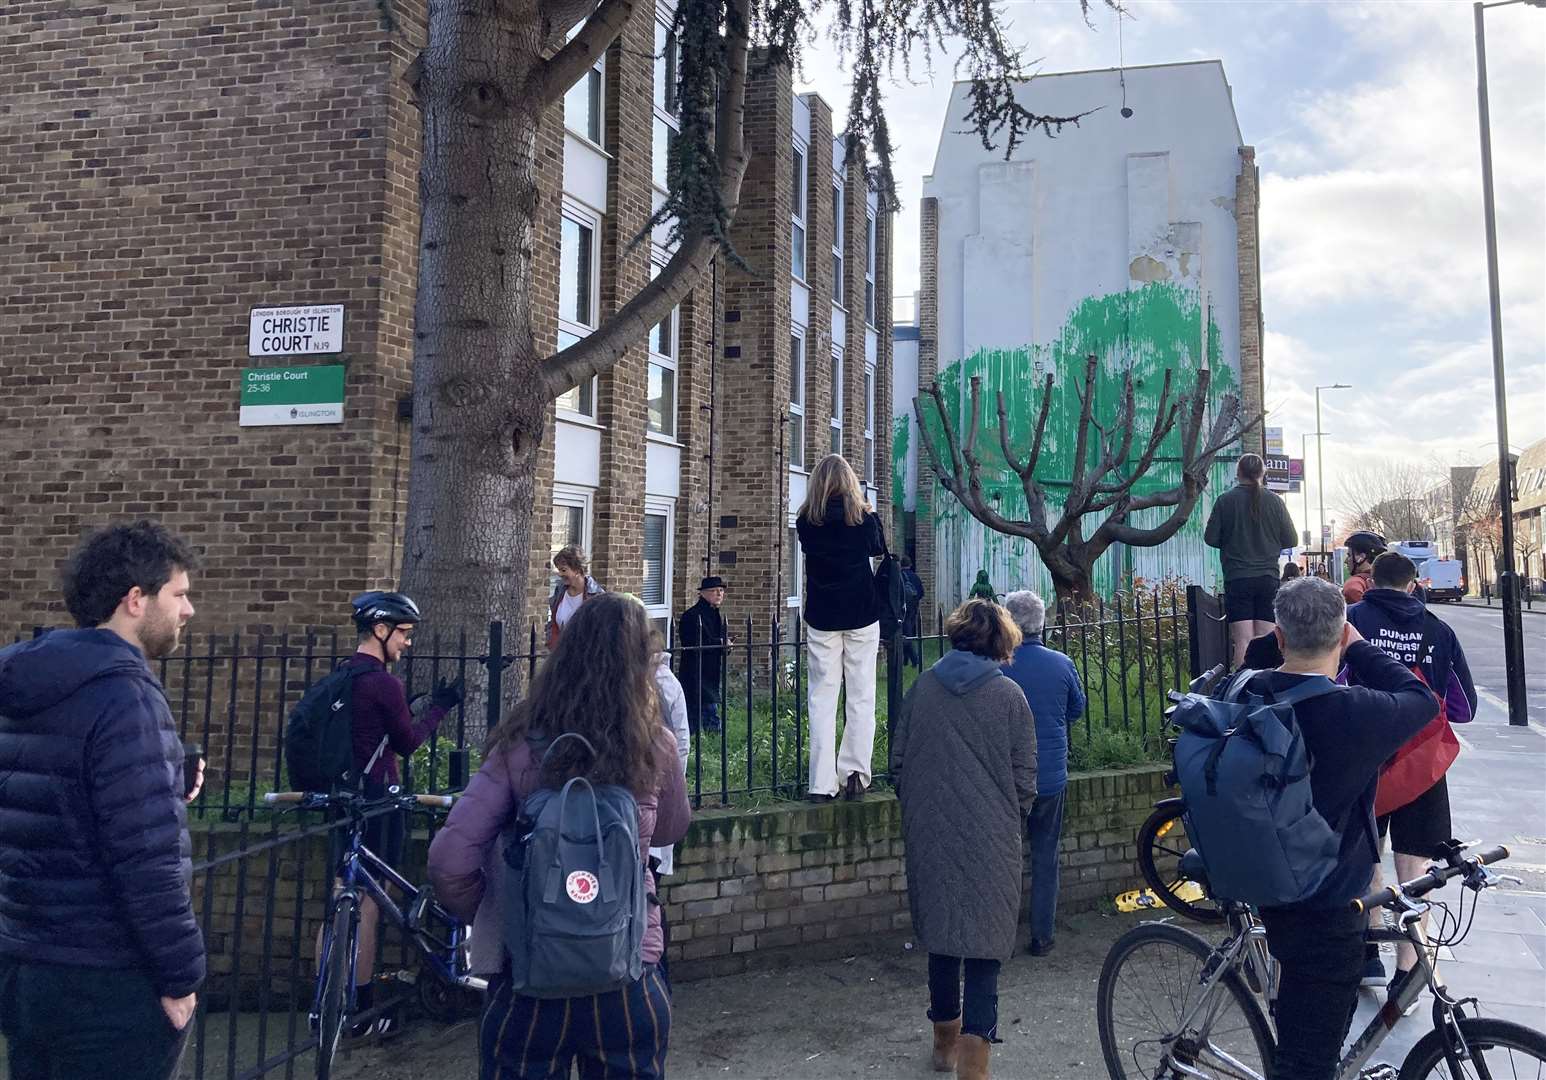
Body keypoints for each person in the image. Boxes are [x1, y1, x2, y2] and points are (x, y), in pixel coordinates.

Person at [427, 594, 691, 1080]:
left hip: (530, 978)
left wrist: (509, 910)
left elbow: (449, 861)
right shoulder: (655, 744)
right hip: (627, 968)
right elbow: (673, 828)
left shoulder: (521, 741)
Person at [0, 520, 206, 1080]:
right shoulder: (124, 696)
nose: (188, 611)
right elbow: (147, 860)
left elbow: (47, 799)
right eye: (180, 595)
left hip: (29, 968)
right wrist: (181, 977)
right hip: (110, 979)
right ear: (136, 600)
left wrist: (165, 773)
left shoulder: (27, 684)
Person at [1241, 577, 1439, 1080]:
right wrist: (1360, 648)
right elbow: (1420, 696)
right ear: (1343, 634)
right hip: (1328, 904)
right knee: (1308, 1063)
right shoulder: (1356, 712)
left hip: (1265, 880)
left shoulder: (1246, 694)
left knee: (1305, 1023)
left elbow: (1254, 658)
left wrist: (1281, 640)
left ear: (1280, 638)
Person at [891, 599, 1035, 1080]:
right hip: (993, 835)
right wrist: (1010, 816)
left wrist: (920, 810)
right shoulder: (1010, 697)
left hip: (930, 831)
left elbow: (899, 761)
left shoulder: (923, 689)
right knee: (985, 946)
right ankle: (975, 1060)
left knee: (942, 937)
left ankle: (943, 1044)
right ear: (1001, 641)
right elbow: (1025, 778)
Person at [331, 590, 463, 1039]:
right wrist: (441, 706)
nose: (407, 642)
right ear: (381, 630)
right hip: (379, 801)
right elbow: (406, 742)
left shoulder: (342, 675)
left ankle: (325, 1005)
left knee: (339, 899)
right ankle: (362, 1009)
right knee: (368, 905)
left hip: (342, 802)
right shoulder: (383, 682)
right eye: (403, 633)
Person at [1348, 551, 1477, 999]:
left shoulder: (1353, 620)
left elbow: (1336, 680)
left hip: (1365, 757)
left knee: (1367, 855)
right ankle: (1409, 969)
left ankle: (1369, 952)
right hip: (1421, 766)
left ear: (1371, 580)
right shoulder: (1439, 631)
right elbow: (1464, 708)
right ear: (1413, 583)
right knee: (1416, 868)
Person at [796, 454, 887, 803]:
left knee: (821, 698)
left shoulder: (807, 521)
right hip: (862, 613)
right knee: (862, 696)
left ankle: (820, 783)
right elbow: (878, 547)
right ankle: (854, 776)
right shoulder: (863, 518)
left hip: (822, 615)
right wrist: (867, 508)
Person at [1001, 590, 1086, 957]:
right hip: (1050, 777)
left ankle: (998, 934)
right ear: (1042, 623)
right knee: (1046, 856)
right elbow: (1076, 710)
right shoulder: (1062, 663)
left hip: (1006, 780)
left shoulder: (998, 665)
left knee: (1003, 858)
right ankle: (1042, 935)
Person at [1203, 452, 1299, 667]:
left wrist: (1233, 542)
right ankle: (1264, 690)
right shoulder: (1275, 502)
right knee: (1265, 639)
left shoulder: (1225, 501)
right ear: (1262, 473)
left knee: (1243, 640)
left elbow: (1210, 538)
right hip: (1268, 577)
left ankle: (1242, 692)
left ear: (1238, 473)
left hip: (1238, 577)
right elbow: (1291, 538)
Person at [678, 576, 729, 733]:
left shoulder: (715, 614)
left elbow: (715, 640)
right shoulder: (692, 616)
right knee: (699, 710)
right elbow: (695, 643)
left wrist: (725, 645)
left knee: (707, 708)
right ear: (703, 594)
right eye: (714, 591)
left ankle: (708, 737)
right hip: (695, 671)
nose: (719, 594)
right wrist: (720, 643)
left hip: (711, 670)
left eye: (721, 590)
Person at [546, 545, 604, 649]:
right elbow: (553, 624)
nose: (559, 574)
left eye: (563, 570)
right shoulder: (560, 591)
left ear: (577, 570)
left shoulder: (597, 596)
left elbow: (601, 632)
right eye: (559, 570)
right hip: (561, 657)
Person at [1341, 530, 1387, 605]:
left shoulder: (1354, 583)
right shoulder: (1388, 580)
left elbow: (1351, 590)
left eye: (1349, 555)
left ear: (1361, 557)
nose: (1346, 561)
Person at [901, 557, 926, 667]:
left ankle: (914, 659)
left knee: (905, 634)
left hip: (903, 609)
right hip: (913, 608)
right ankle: (905, 660)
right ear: (910, 564)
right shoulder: (915, 577)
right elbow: (921, 592)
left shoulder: (900, 576)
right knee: (908, 633)